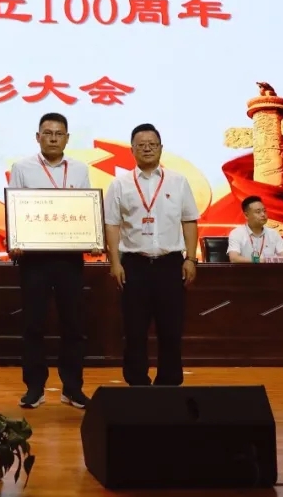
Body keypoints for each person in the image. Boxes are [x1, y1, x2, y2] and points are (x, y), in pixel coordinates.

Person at [8, 113, 93, 410]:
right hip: (35, 259)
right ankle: (35, 387)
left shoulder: (80, 169)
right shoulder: (22, 168)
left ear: (67, 138)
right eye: (48, 133)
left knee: (74, 325)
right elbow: (14, 208)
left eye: (59, 133)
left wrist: (93, 237)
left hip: (70, 258)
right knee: (33, 324)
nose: (53, 138)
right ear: (38, 137)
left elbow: (86, 209)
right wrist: (15, 241)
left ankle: (72, 387)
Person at [104, 123, 198, 387]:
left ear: (161, 148)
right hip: (134, 265)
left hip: (171, 264)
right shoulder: (120, 184)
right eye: (141, 145)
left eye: (152, 144)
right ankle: (137, 383)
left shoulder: (178, 181)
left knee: (171, 328)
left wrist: (191, 258)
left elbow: (189, 220)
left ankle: (169, 382)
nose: (147, 149)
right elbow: (112, 224)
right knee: (134, 330)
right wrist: (115, 263)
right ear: (132, 150)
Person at [227, 195, 283, 263]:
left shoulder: (273, 234)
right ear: (246, 215)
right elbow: (234, 258)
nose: (263, 214)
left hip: (269, 269)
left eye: (264, 211)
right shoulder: (237, 233)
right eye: (258, 212)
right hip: (246, 270)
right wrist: (258, 261)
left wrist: (268, 261)